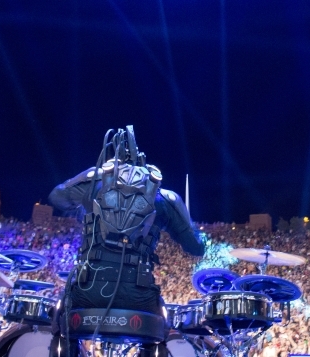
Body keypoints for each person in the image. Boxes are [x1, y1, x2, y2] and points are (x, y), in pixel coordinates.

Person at [49, 126, 205, 356]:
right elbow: (196, 247)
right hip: (139, 298)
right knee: (160, 330)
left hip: (87, 293)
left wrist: (91, 175)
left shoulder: (95, 184)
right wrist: (189, 224)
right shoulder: (165, 198)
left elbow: (57, 197)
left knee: (61, 323)